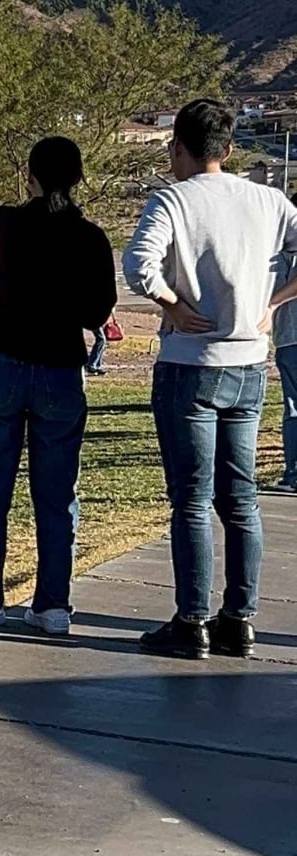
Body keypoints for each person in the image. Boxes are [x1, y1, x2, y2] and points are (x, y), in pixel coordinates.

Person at [124, 99, 297, 659]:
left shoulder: (173, 199)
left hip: (190, 364)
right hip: (250, 362)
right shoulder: (269, 200)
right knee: (240, 498)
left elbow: (137, 266)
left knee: (192, 500)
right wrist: (273, 302)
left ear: (179, 146)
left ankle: (191, 618)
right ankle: (239, 618)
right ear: (228, 148)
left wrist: (172, 303)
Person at [0, 137, 117, 636]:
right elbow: (98, 312)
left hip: (3, 365)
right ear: (78, 180)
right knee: (55, 494)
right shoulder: (91, 239)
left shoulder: (6, 225)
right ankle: (53, 605)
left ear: (30, 176)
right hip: (60, 371)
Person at [274, 229, 297, 494]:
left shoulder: (280, 256)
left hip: (290, 339)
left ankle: (293, 474)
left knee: (293, 407)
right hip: (288, 339)